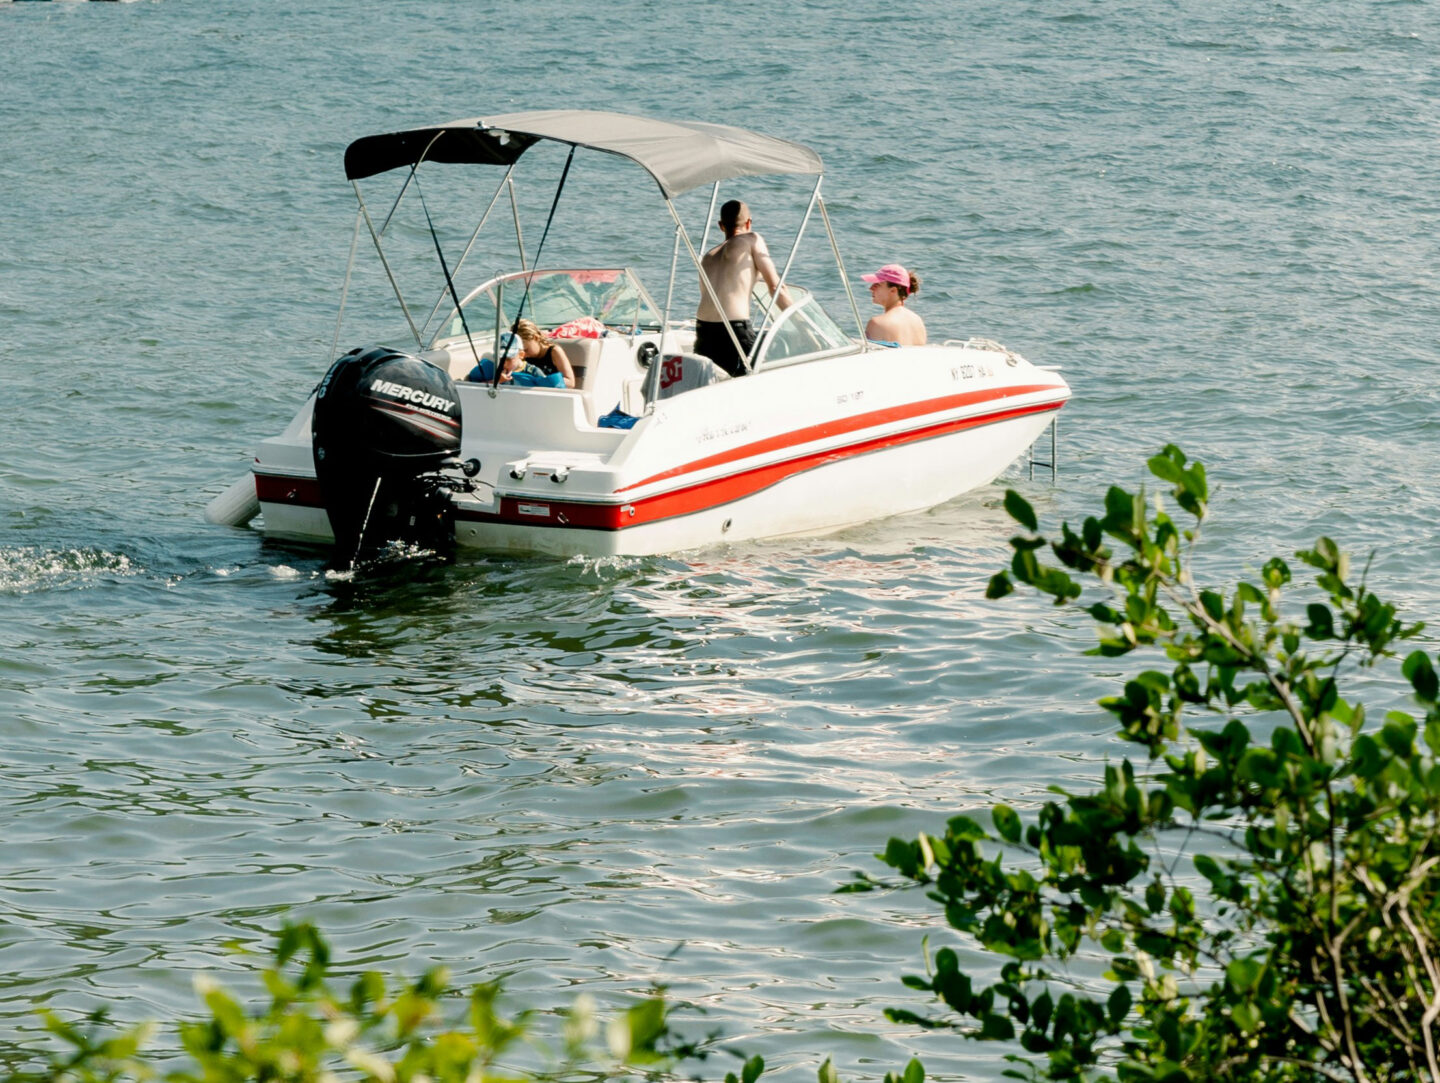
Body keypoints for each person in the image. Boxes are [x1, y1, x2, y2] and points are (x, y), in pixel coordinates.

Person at [694, 199, 791, 377]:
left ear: (721, 226)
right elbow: (776, 287)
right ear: (748, 223)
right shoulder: (752, 239)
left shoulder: (708, 256)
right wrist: (799, 321)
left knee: (712, 386)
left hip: (703, 331)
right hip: (734, 330)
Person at [862, 264, 926, 346]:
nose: (870, 288)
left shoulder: (877, 323)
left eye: (877, 285)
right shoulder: (918, 321)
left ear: (893, 291)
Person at [515, 318, 577, 388]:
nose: (524, 355)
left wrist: (545, 380)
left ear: (535, 338)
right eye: (520, 352)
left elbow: (571, 382)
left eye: (526, 350)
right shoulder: (521, 356)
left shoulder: (554, 352)